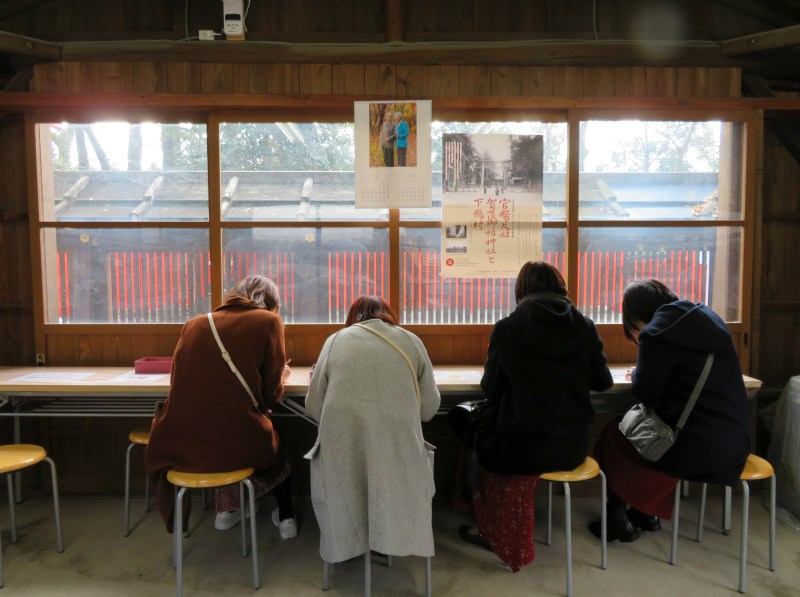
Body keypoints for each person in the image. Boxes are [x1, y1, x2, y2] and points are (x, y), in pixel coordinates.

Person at [457, 261, 613, 572]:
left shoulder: (507, 328)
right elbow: (603, 382)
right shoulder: (585, 325)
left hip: (519, 447)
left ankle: (487, 529)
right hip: (571, 448)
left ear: (521, 290)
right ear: (560, 288)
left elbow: (490, 387)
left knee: (476, 444)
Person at [591, 279, 749, 542]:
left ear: (634, 317)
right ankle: (645, 514)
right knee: (647, 434)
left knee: (616, 433)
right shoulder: (708, 320)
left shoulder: (656, 334)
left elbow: (646, 394)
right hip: (734, 446)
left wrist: (639, 374)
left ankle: (617, 518)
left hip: (696, 451)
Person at [146, 274, 297, 540]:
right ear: (273, 301)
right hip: (238, 446)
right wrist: (283, 376)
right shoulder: (269, 321)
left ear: (233, 294)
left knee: (218, 422)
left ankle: (227, 511)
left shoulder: (194, 323)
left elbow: (177, 383)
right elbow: (270, 396)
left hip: (183, 444)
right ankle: (286, 517)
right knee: (274, 431)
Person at [305, 295, 440, 564]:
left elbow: (313, 406)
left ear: (353, 316)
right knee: (391, 477)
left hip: (344, 458)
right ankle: (389, 539)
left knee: (346, 480)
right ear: (387, 314)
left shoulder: (334, 342)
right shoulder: (411, 341)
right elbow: (429, 411)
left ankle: (349, 545)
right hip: (401, 459)